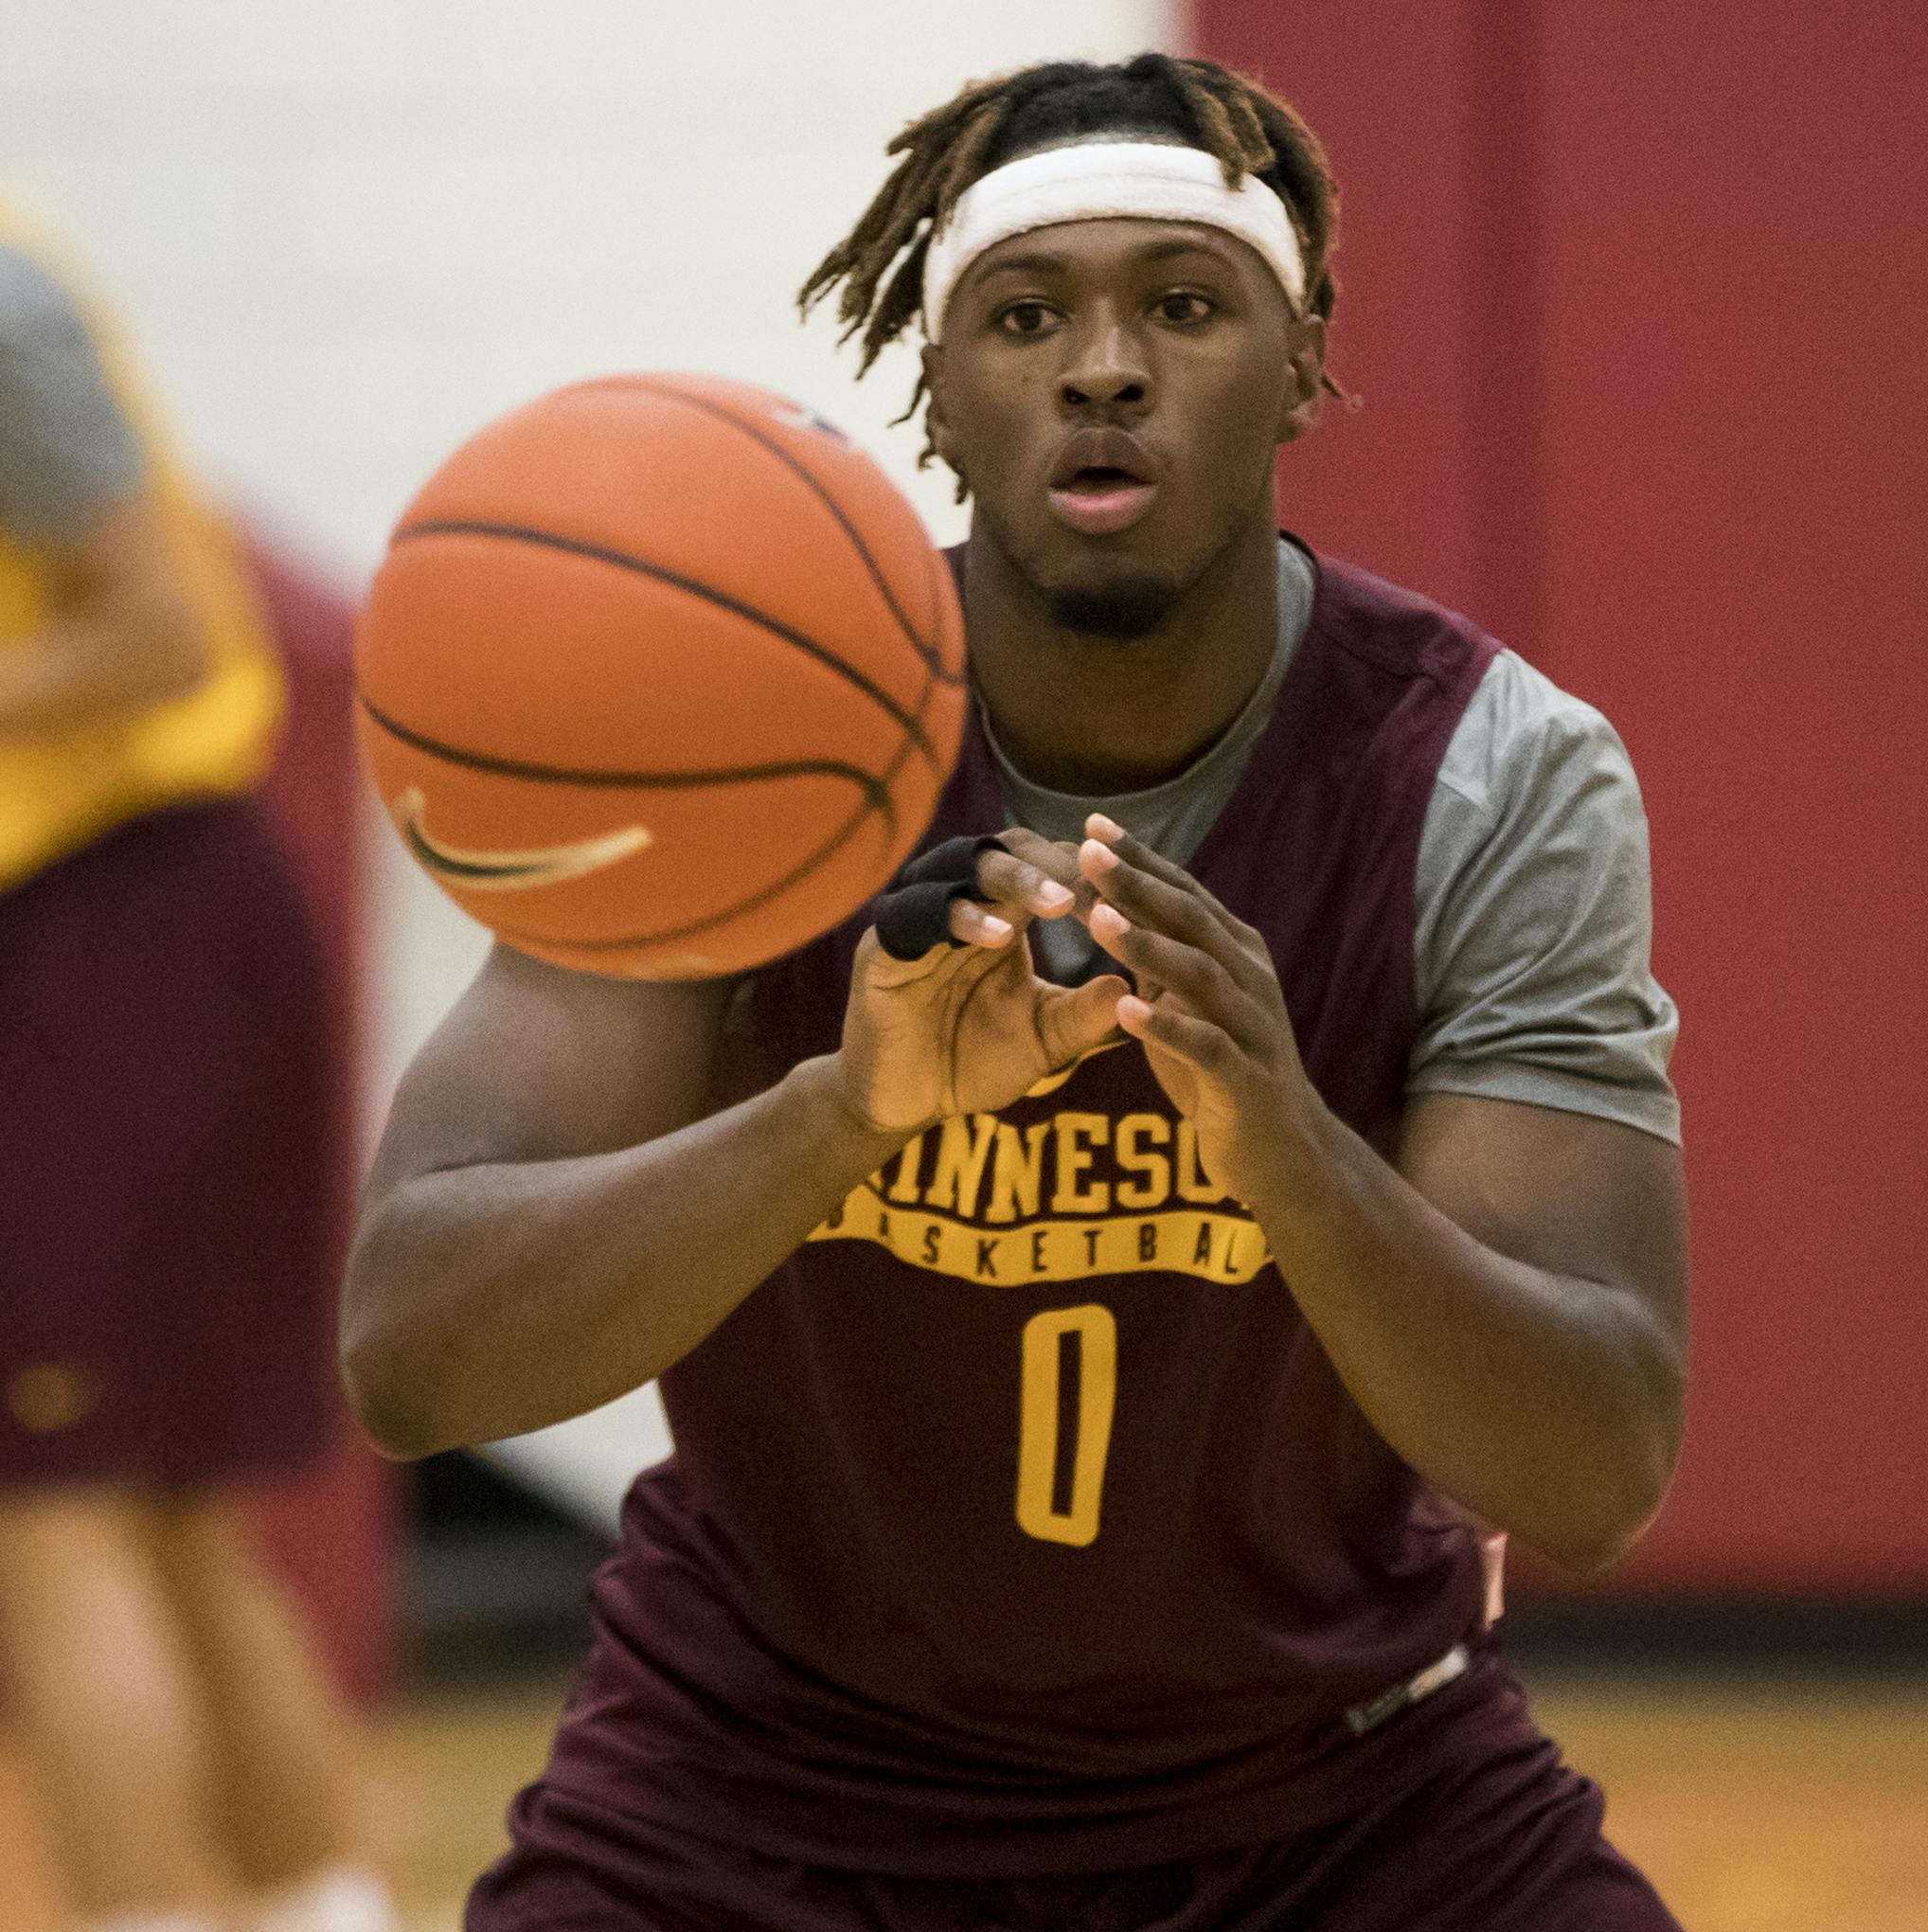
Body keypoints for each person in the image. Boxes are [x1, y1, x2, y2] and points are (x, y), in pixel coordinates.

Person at [346, 53, 1688, 1931]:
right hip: (762, 1789)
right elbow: (416, 1354)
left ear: (1295, 371)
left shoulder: (1487, 774)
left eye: (1186, 305)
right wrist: (839, 1116)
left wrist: (1286, 1145)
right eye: (1028, 314)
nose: (1106, 365)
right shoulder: (721, 717)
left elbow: (1595, 1470)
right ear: (939, 387)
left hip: (1339, 1800)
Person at [0, 199, 396, 1932]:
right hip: (114, 932)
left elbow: (161, 626)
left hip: (117, 924)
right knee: (169, 1526)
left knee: (53, 1522)